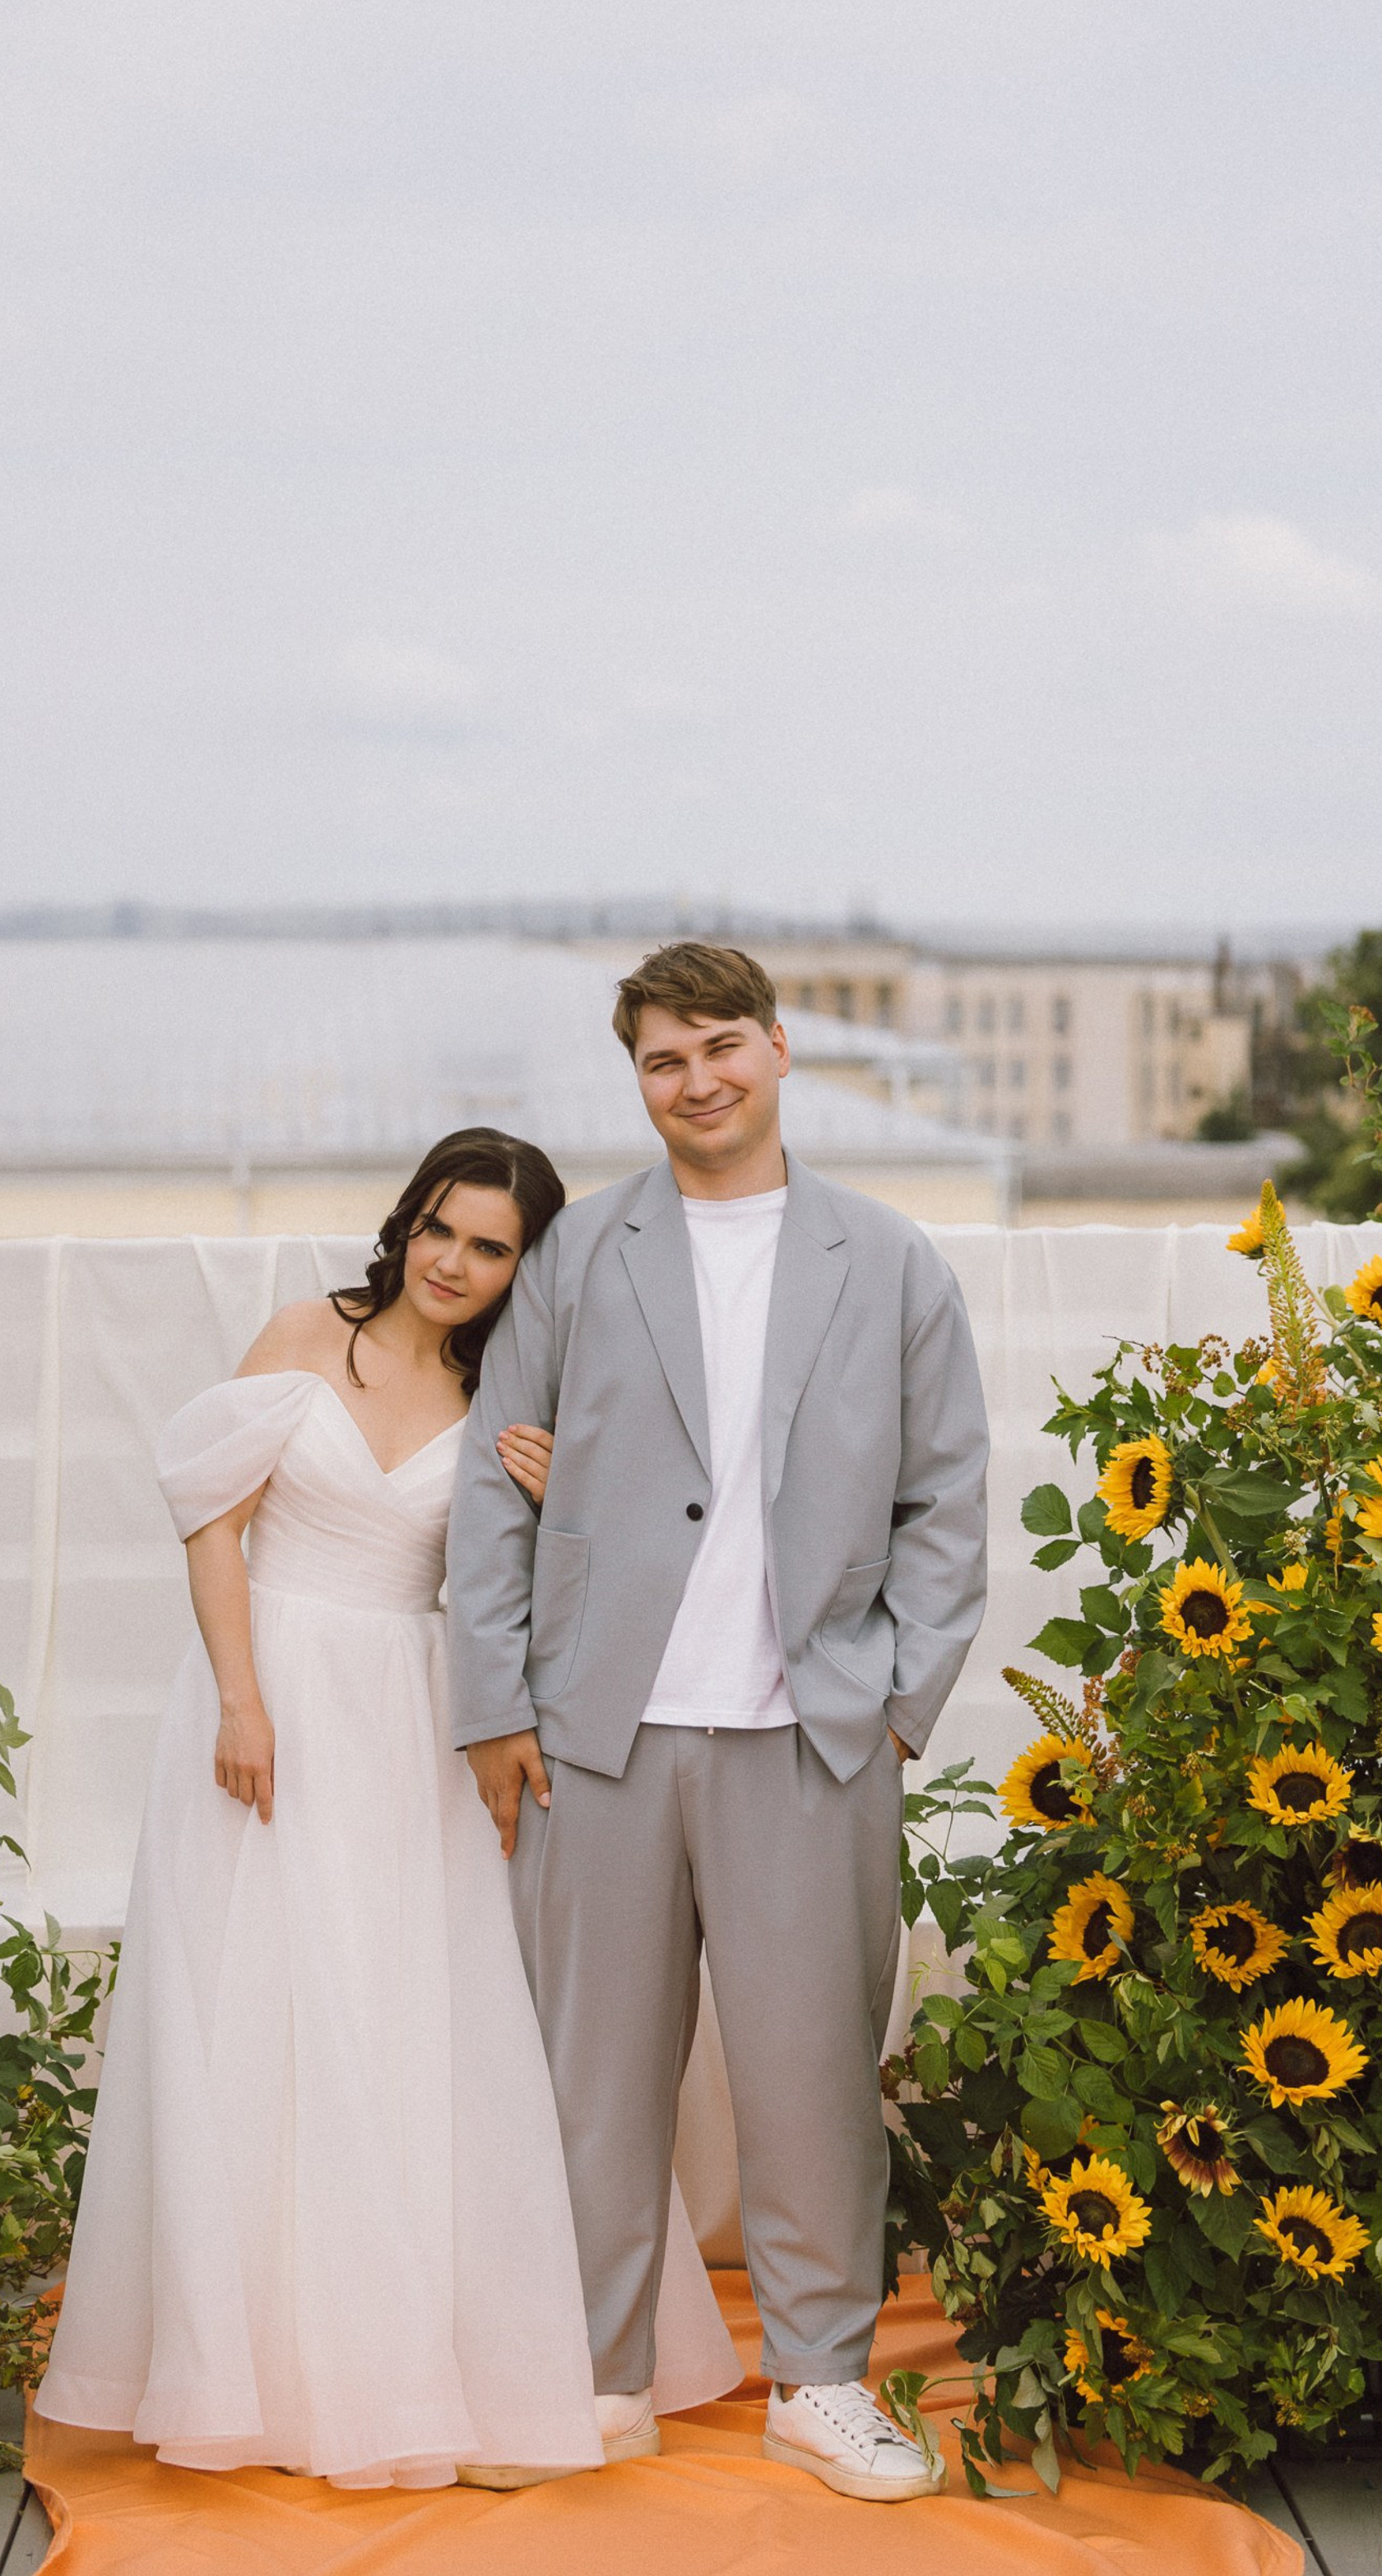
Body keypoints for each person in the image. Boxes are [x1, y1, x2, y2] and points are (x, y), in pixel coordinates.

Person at [36, 1126, 737, 2491]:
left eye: (490, 1245)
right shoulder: (306, 1334)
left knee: (414, 2017)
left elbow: (570, 1580)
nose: (453, 1262)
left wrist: (559, 1498)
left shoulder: (513, 1400)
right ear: (406, 1221)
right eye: (438, 1227)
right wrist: (243, 1702)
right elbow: (210, 1522)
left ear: (522, 1267)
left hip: (412, 1715)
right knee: (261, 2010)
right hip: (270, 1695)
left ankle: (442, 2357)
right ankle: (260, 2367)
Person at [448, 943, 990, 2503]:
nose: (698, 1082)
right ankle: (595, 2377)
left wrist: (897, 1702)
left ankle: (819, 2382)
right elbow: (498, 1475)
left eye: (722, 1047)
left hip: (811, 1736)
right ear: (639, 1081)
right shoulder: (578, 1254)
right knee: (590, 2077)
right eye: (664, 1061)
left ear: (779, 1049)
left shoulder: (887, 1262)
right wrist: (494, 1705)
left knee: (813, 2075)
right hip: (594, 1732)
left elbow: (948, 1499)